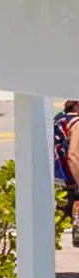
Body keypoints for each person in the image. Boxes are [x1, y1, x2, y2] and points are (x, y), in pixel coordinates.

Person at [55, 101, 79, 245]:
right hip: (69, 184)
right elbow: (74, 156)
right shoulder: (76, 123)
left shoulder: (60, 118)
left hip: (58, 183)